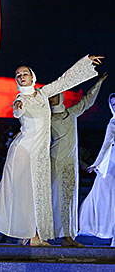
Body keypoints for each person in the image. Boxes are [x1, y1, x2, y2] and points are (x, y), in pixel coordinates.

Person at [0, 54, 103, 246]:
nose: (22, 76)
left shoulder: (43, 94)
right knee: (8, 190)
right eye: (18, 75)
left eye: (25, 74)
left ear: (32, 77)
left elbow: (64, 80)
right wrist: (19, 107)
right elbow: (17, 110)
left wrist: (86, 61)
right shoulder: (20, 99)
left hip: (38, 155)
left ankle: (34, 236)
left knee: (34, 194)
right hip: (22, 152)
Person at [49, 73, 107, 247]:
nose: (53, 98)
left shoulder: (71, 113)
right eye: (50, 96)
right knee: (49, 197)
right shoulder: (46, 119)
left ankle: (68, 237)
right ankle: (40, 234)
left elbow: (87, 100)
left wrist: (99, 83)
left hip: (68, 164)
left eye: (55, 95)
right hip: (53, 162)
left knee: (68, 199)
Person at [79, 93, 115, 247]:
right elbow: (106, 144)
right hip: (111, 162)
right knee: (103, 195)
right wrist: (97, 163)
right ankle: (107, 230)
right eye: (112, 104)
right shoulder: (113, 123)